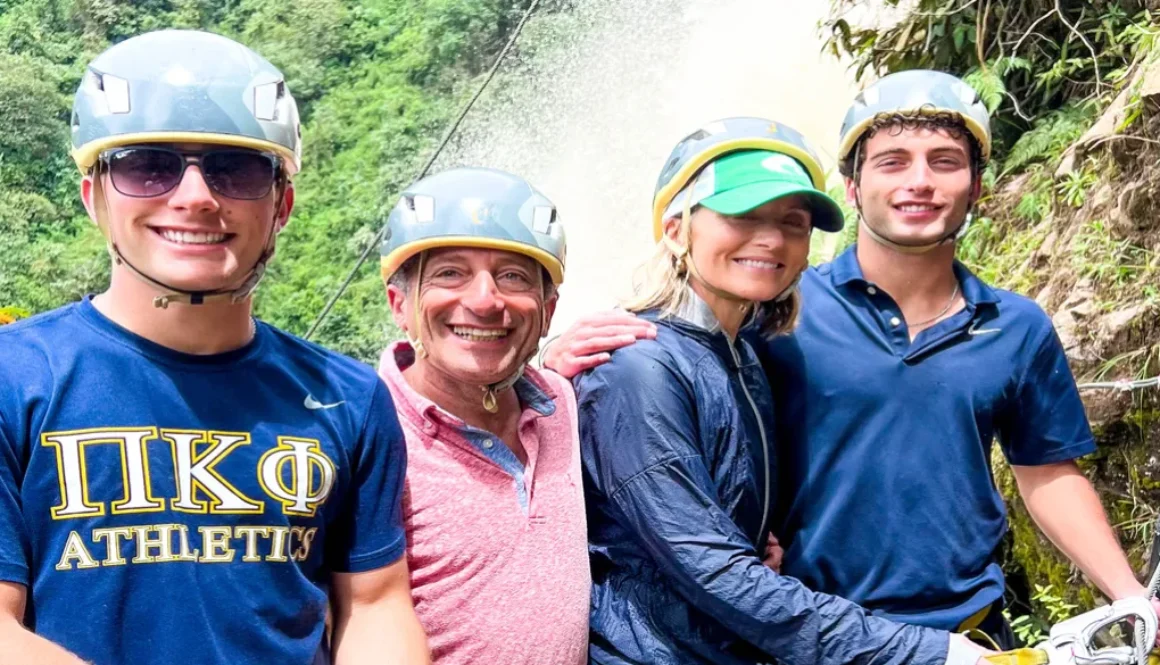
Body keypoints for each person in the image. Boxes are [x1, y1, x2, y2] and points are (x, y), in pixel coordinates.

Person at [544, 71, 1156, 648]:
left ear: (978, 185)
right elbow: (682, 392)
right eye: (893, 162)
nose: (919, 181)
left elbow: (1046, 471)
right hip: (807, 633)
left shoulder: (1015, 326)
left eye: (944, 162)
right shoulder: (774, 311)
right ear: (854, 187)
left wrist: (1130, 596)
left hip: (964, 633)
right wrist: (545, 369)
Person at [0, 30, 429, 665]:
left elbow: (374, 605)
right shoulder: (17, 378)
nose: (197, 197)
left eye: (237, 169)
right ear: (94, 196)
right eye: (147, 166)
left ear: (281, 203)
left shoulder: (347, 398)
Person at [571, 116, 986, 665]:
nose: (771, 239)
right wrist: (926, 653)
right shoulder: (637, 366)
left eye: (793, 222)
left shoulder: (742, 351)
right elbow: (709, 567)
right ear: (676, 229)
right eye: (743, 215)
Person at [376, 167, 590, 664]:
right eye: (450, 273)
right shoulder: (369, 433)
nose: (485, 300)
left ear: (548, 309)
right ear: (399, 305)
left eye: (513, 277)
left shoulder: (562, 404)